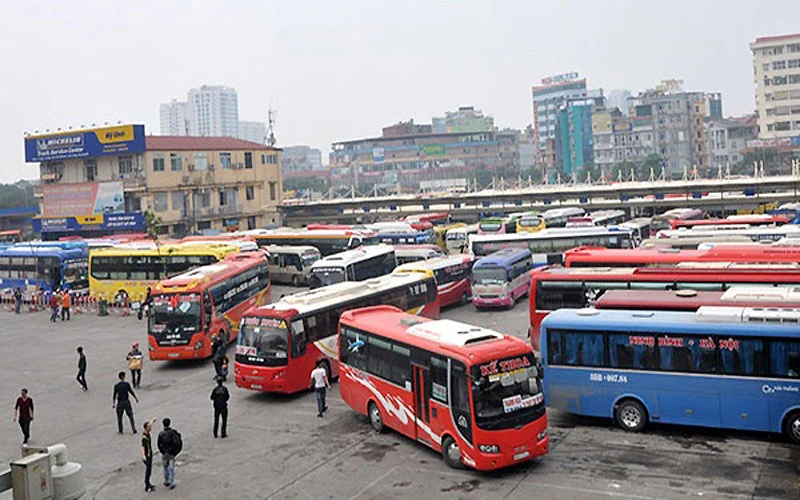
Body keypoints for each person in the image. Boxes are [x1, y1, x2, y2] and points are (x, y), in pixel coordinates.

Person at [157, 418, 181, 489]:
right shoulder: (173, 433)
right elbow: (176, 443)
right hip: (171, 453)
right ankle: (171, 481)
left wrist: (163, 451)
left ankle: (166, 480)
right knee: (171, 467)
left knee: (165, 467)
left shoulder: (161, 434)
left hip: (164, 453)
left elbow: (159, 444)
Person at [141, 417, 157, 493]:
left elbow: (150, 424)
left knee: (149, 471)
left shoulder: (147, 432)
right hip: (147, 455)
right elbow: (143, 447)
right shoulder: (144, 437)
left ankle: (149, 483)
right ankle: (147, 486)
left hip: (150, 453)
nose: (150, 428)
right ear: (145, 428)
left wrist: (152, 421)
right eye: (149, 427)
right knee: (148, 471)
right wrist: (143, 455)